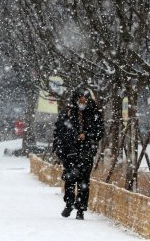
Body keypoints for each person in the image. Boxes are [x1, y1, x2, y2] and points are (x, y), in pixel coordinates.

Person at [53, 89, 104, 220]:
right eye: (80, 98)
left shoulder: (94, 113)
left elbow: (99, 132)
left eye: (85, 99)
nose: (83, 101)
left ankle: (80, 209)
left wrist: (87, 135)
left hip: (86, 152)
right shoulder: (68, 112)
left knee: (84, 182)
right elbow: (59, 131)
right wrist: (62, 146)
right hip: (70, 152)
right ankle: (69, 203)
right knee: (69, 179)